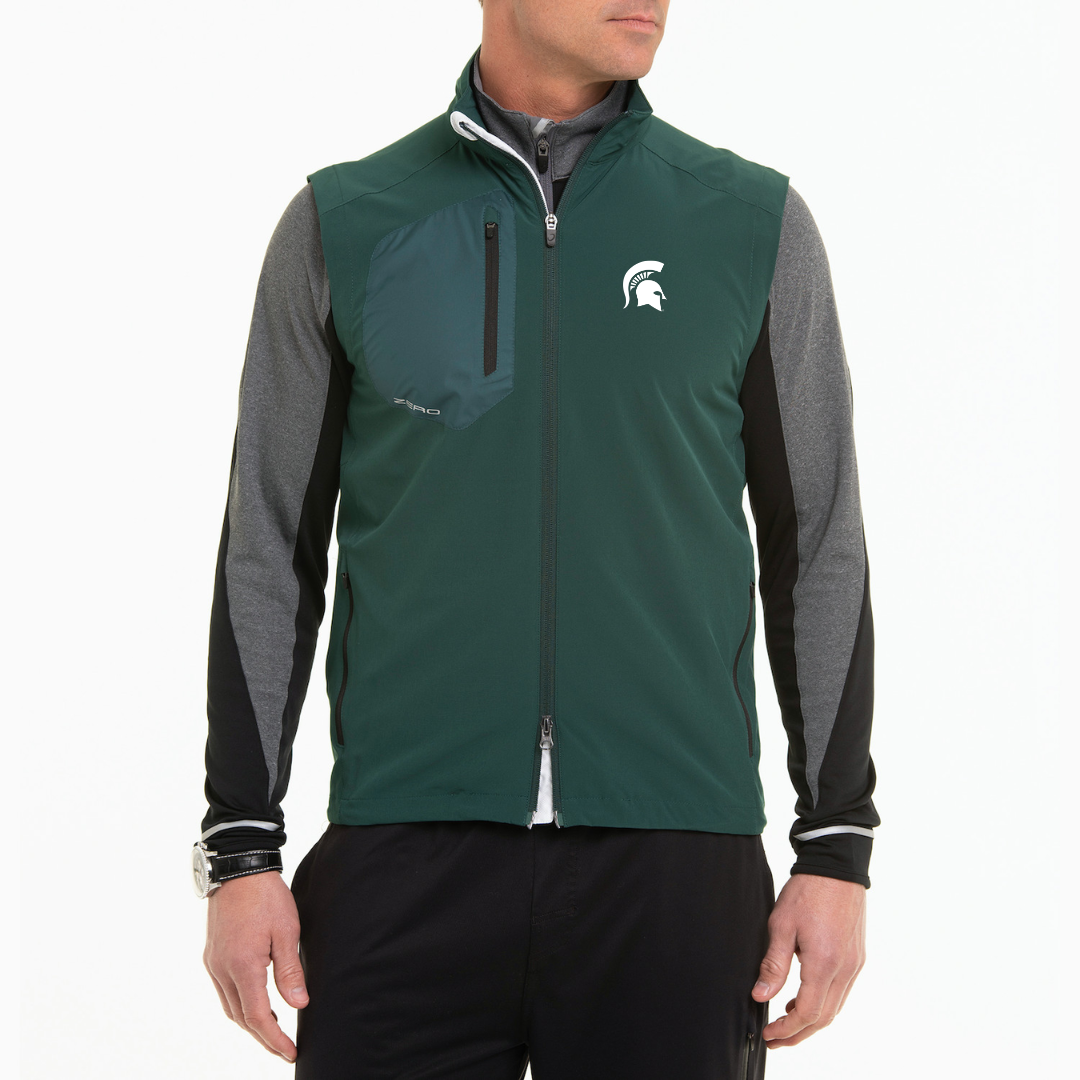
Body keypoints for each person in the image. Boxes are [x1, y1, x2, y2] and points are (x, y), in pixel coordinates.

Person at [194, 2, 879, 1076]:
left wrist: (836, 843)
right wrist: (241, 848)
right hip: (404, 853)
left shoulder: (752, 226)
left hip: (673, 864)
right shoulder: (346, 224)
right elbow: (269, 545)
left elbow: (820, 540)